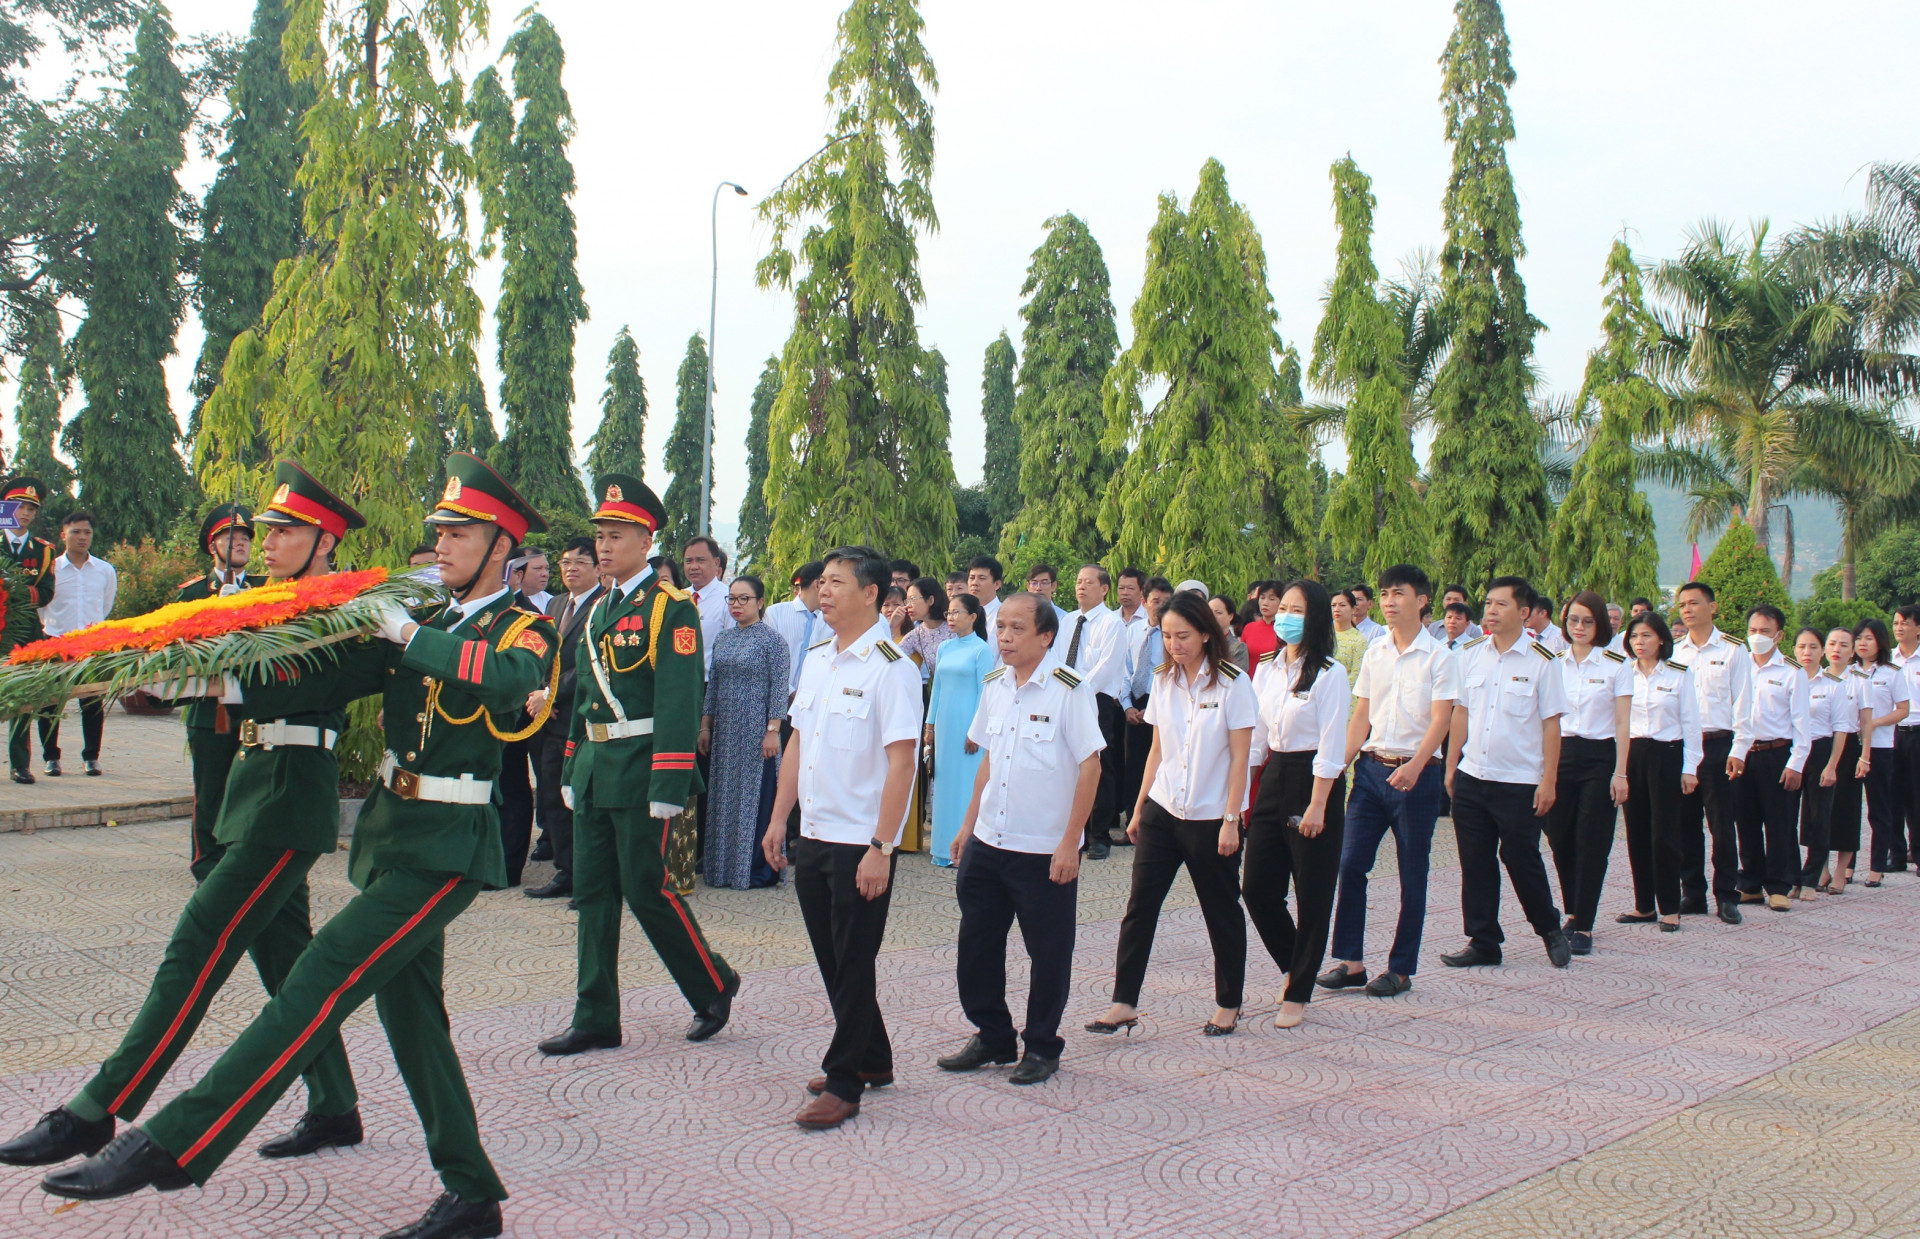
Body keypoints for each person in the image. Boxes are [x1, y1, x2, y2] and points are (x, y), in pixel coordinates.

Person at [38, 452, 561, 1239]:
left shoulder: (523, 627)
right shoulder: (423, 622)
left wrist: (408, 631)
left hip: (449, 848)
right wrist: (190, 675)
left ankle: (172, 1141)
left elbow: (508, 679)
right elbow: (307, 683)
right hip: (392, 836)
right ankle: (471, 1192)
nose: (443, 543)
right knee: (414, 1016)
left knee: (314, 983)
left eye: (462, 532)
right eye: (440, 530)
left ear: (503, 546)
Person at [1, 464, 363, 1184]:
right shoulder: (262, 599)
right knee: (285, 959)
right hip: (252, 791)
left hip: (291, 798)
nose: (264, 542)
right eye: (262, 529)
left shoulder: (342, 608)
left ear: (326, 541)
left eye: (284, 531)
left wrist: (181, 672)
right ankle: (336, 1103)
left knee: (199, 939)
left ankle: (99, 1102)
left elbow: (282, 679)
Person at [539, 474, 741, 1059]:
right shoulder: (599, 607)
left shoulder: (670, 608)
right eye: (600, 535)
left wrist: (670, 781)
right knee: (593, 895)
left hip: (642, 768)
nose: (603, 546)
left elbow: (680, 701)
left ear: (647, 539)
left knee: (647, 890)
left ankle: (712, 982)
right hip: (599, 767)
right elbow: (586, 700)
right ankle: (595, 1014)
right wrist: (574, 765)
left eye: (617, 534)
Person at [763, 546, 923, 1130]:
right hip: (815, 831)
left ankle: (844, 1080)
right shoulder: (816, 658)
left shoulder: (892, 667)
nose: (822, 590)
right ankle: (873, 1055)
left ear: (872, 595)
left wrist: (883, 847)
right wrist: (780, 818)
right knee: (832, 955)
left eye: (835, 582)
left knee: (854, 959)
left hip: (862, 841)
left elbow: (902, 763)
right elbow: (797, 742)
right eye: (820, 582)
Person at [941, 594, 1103, 1085]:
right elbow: (987, 762)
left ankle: (1041, 1045)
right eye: (1001, 628)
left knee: (1048, 953)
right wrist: (968, 826)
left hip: (1043, 849)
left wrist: (1069, 843)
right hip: (990, 840)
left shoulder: (1069, 689)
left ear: (1045, 636)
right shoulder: (995, 685)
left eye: (1016, 629)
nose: (1005, 637)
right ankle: (992, 1034)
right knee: (976, 946)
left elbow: (1090, 767)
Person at [1089, 590, 1254, 1039]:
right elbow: (1158, 750)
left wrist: (1231, 820)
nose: (1174, 644)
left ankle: (1228, 1003)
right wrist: (1139, 808)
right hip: (1164, 809)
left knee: (1220, 910)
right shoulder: (1163, 681)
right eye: (1166, 636)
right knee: (1139, 907)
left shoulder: (1233, 683)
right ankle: (1123, 1002)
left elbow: (1241, 759)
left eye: (1183, 635)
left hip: (1210, 817)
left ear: (1205, 633)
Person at [1320, 564, 1456, 998]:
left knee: (1411, 872)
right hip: (1371, 772)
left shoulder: (1440, 657)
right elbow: (1361, 714)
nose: (1389, 601)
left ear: (1422, 600)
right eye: (1383, 594)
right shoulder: (1376, 653)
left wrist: (1416, 765)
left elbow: (1442, 719)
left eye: (1399, 593)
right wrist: (1338, 764)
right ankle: (1352, 961)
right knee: (1349, 863)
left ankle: (1400, 968)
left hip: (1418, 776)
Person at [1442, 578, 1573, 971]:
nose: (1491, 610)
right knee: (1475, 861)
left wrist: (1548, 781)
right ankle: (1483, 940)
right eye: (1488, 603)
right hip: (1473, 775)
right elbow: (1460, 712)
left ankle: (1549, 928)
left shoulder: (1542, 660)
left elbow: (1552, 725)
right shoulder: (1470, 654)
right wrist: (1451, 766)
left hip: (1519, 781)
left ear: (1524, 611)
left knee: (1521, 858)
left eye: (1501, 604)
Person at [1243, 580, 1349, 1029]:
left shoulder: (1330, 673)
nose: (1284, 615)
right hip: (1274, 777)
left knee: (1312, 892)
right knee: (1257, 888)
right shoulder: (1267, 668)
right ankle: (1294, 966)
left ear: (1317, 617)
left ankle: (1300, 990)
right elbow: (1255, 736)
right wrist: (1239, 796)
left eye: (1297, 609)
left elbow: (1331, 745)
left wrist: (1319, 804)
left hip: (1314, 782)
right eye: (1281, 607)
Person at [168, 505, 265, 879]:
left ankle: (239, 862)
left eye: (245, 539)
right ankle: (206, 864)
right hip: (213, 712)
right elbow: (177, 651)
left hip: (255, 708)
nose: (239, 544)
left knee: (248, 791)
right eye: (231, 538)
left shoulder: (266, 589)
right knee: (210, 794)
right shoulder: (193, 593)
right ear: (213, 545)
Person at [1542, 592, 1631, 956]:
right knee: (1560, 839)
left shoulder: (1615, 664)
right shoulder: (1554, 663)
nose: (1579, 628)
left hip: (1599, 757)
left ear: (1601, 625)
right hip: (1560, 755)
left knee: (1592, 842)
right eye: (1574, 620)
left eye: (1588, 621)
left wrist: (1621, 772)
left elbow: (1624, 722)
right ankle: (1574, 911)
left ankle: (1586, 924)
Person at [526, 538, 605, 900]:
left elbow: (591, 663)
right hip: (547, 716)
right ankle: (565, 871)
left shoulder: (603, 606)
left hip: (580, 717)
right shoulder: (556, 604)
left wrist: (551, 694)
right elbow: (539, 655)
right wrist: (540, 693)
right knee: (551, 797)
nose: (570, 568)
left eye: (579, 562)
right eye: (564, 562)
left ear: (597, 568)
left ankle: (588, 876)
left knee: (579, 800)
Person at [699, 575, 789, 891]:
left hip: (756, 731)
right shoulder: (722, 639)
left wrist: (773, 731)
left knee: (754, 798)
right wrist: (705, 726)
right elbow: (714, 685)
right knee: (724, 798)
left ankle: (755, 869)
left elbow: (779, 688)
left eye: (744, 599)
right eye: (732, 599)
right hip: (725, 733)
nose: (737, 605)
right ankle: (722, 868)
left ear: (760, 602)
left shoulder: (772, 641)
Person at [1672, 581, 1754, 925]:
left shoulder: (1734, 650)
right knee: (1685, 824)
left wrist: (1740, 750)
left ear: (1713, 607)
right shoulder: (1676, 652)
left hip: (1720, 744)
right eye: (1682, 605)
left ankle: (1726, 895)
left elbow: (1744, 704)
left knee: (1721, 824)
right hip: (1684, 747)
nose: (1687, 610)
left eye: (1694, 603)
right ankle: (1692, 892)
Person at [1616, 612, 1701, 931]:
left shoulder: (1678, 674)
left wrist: (1690, 767)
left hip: (1667, 755)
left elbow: (1692, 723)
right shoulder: (1624, 673)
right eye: (1635, 637)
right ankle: (1643, 906)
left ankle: (1669, 907)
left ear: (1662, 639)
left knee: (1664, 834)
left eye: (1647, 636)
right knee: (1636, 831)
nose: (1640, 642)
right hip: (1633, 754)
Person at [1732, 605, 1811, 912]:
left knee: (1779, 823)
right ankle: (1749, 883)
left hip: (1776, 753)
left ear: (1779, 636)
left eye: (1765, 631)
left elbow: (1802, 725)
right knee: (1745, 820)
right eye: (1752, 630)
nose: (1757, 637)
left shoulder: (1791, 672)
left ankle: (1778, 884)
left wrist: (1796, 764)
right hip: (1742, 753)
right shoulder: (1738, 666)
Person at [35, 510, 117, 776]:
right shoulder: (51, 569)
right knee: (49, 704)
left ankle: (91, 757)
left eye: (87, 532)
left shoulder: (104, 570)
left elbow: (105, 606)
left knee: (92, 702)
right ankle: (51, 757)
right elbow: (41, 607)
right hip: (56, 642)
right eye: (76, 532)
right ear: (63, 535)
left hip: (91, 645)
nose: (82, 537)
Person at [1062, 565, 1126, 857]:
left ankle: (1099, 835)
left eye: (1089, 582)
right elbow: (1058, 660)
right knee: (1068, 762)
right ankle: (1074, 832)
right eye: (1078, 582)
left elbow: (1107, 667)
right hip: (1065, 697)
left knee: (1100, 764)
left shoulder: (1111, 623)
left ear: (1104, 589)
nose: (1081, 587)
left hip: (1096, 699)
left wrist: (1078, 691)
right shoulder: (1068, 621)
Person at [926, 593, 991, 867]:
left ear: (973, 617)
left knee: (966, 785)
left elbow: (985, 693)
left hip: (969, 725)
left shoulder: (981, 650)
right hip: (945, 724)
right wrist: (930, 725)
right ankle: (942, 847)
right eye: (949, 613)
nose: (951, 618)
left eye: (957, 613)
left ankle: (966, 848)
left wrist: (977, 731)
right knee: (945, 784)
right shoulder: (944, 648)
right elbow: (937, 688)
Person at [2, 475, 58, 785]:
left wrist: (13, 592)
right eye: (18, 506)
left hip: (25, 632)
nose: (24, 513)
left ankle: (20, 763)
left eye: (30, 509)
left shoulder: (44, 551)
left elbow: (48, 592)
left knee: (22, 698)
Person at [1853, 617, 1911, 885]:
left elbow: (1903, 710)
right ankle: (1847, 866)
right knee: (1848, 809)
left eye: (1869, 638)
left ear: (1880, 642)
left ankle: (1877, 866)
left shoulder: (1891, 672)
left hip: (1880, 747)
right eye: (1859, 638)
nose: (1862, 643)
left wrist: (1873, 723)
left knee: (1879, 809)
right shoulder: (1846, 672)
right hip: (1849, 747)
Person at [1794, 627, 1846, 902]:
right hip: (1792, 753)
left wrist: (1832, 765)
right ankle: (1791, 877)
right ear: (1794, 650)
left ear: (1822, 651)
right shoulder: (1788, 680)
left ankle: (1811, 879)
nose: (1807, 652)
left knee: (1819, 817)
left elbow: (1841, 728)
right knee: (1786, 818)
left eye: (1813, 647)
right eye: (1802, 647)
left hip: (1820, 750)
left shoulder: (1832, 686)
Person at [1121, 576, 1174, 818]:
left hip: (1163, 702)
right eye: (1156, 601)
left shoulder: (1174, 635)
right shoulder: (1132, 631)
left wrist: (1153, 708)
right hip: (1135, 702)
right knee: (1133, 766)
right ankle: (1134, 817)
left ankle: (1155, 819)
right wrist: (1127, 706)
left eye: (1166, 601)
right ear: (1144, 602)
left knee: (1161, 763)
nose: (1161, 606)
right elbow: (1125, 671)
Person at [1819, 628, 1866, 893]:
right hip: (1821, 745)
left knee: (1846, 811)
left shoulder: (1859, 679)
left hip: (1849, 749)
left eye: (1844, 645)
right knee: (1820, 811)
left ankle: (1840, 872)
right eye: (1832, 643)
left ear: (1852, 651)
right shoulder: (1815, 677)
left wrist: (1866, 756)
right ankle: (1822, 869)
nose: (1837, 649)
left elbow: (1866, 723)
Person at [767, 560, 826, 696]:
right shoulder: (775, 613)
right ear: (818, 584)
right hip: (776, 702)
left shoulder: (830, 621)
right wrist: (791, 693)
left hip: (814, 703)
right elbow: (767, 660)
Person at [1890, 605, 1920, 873]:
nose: (1899, 627)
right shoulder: (1889, 660)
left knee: (1917, 796)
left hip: (1919, 733)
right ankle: (1896, 855)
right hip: (1893, 733)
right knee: (1893, 796)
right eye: (1896, 623)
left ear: (1918, 628)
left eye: (1905, 623)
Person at [682, 534, 735, 676]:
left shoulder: (729, 599)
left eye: (700, 560)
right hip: (680, 682)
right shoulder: (678, 598)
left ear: (716, 562)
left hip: (712, 685)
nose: (694, 566)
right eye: (688, 561)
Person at [898, 577, 953, 681]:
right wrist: (891, 626)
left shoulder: (954, 626)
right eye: (907, 600)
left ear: (930, 600)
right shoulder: (916, 635)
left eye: (913, 599)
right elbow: (892, 658)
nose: (908, 605)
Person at [1330, 589, 1368, 685]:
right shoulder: (1323, 635)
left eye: (1342, 605)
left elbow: (1357, 675)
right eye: (1333, 605)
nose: (1337, 609)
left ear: (1353, 609)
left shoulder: (1359, 640)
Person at [1208, 594, 1251, 673]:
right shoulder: (1199, 641)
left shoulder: (1238, 647)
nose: (1212, 616)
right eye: (1209, 612)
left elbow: (1239, 676)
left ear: (1230, 616)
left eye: (1218, 612)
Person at [1024, 564, 1074, 628]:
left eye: (1044, 583)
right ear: (1028, 586)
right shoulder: (1019, 616)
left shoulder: (1064, 619)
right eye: (1034, 583)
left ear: (1053, 586)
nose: (1038, 588)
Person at [966, 554, 1004, 631]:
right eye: (972, 578)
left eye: (982, 578)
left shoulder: (1005, 614)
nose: (974, 583)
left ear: (997, 584)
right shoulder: (961, 613)